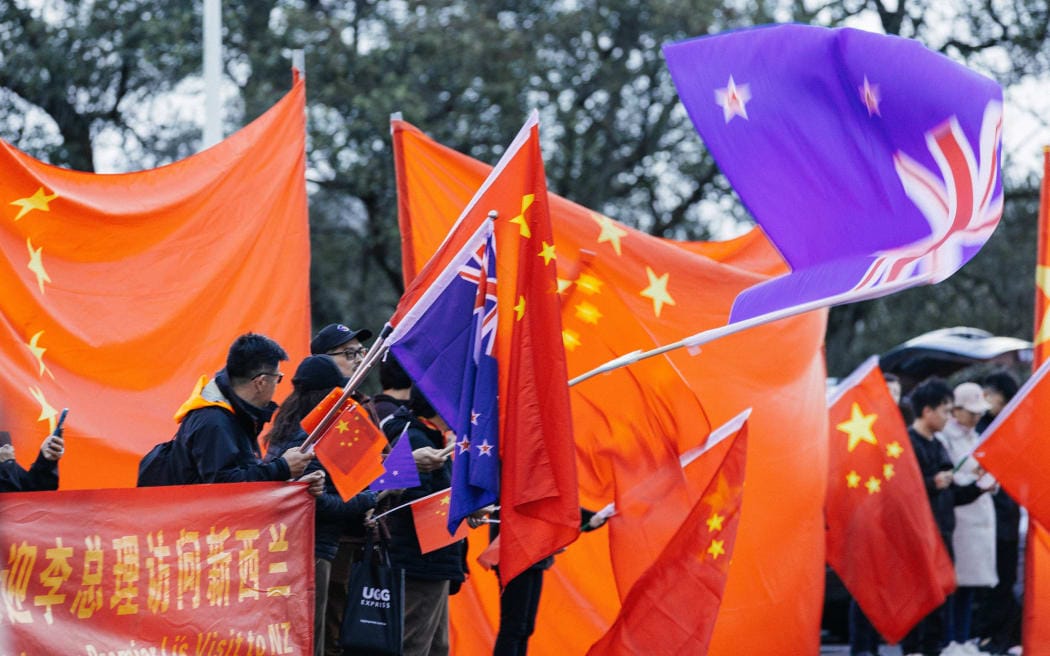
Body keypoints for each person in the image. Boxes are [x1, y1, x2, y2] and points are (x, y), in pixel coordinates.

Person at [263, 355, 378, 656]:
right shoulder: (311, 438)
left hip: (281, 547)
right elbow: (318, 502)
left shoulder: (284, 429)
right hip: (315, 550)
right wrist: (370, 498)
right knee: (310, 639)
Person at [900, 377, 991, 656]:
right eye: (944, 411)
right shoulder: (908, 444)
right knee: (918, 598)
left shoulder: (939, 446)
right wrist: (932, 483)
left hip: (943, 534)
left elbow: (953, 495)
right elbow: (901, 490)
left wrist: (979, 486)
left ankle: (936, 648)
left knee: (941, 597)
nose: (948, 417)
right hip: (919, 535)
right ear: (927, 411)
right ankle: (913, 649)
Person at [378, 388, 465, 656]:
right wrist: (459, 504)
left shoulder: (431, 436)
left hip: (434, 559)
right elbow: (410, 501)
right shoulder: (416, 438)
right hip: (421, 560)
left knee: (437, 646)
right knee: (413, 643)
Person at [166, 332, 314, 484]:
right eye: (278, 378)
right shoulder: (214, 421)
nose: (276, 386)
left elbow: (244, 472)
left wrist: (295, 487)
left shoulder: (234, 413)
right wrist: (282, 467)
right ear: (261, 382)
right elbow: (225, 487)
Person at [937, 382, 997, 648]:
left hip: (979, 517)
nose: (975, 418)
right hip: (959, 520)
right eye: (971, 412)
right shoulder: (946, 438)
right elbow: (952, 478)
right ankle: (949, 641)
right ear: (956, 410)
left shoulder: (977, 437)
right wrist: (974, 480)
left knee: (970, 586)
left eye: (979, 413)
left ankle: (961, 640)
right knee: (954, 586)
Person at [975, 370, 1023, 654]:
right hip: (986, 516)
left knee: (1006, 579)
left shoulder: (1014, 427)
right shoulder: (980, 429)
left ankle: (1005, 637)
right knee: (988, 581)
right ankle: (988, 635)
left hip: (1009, 514)